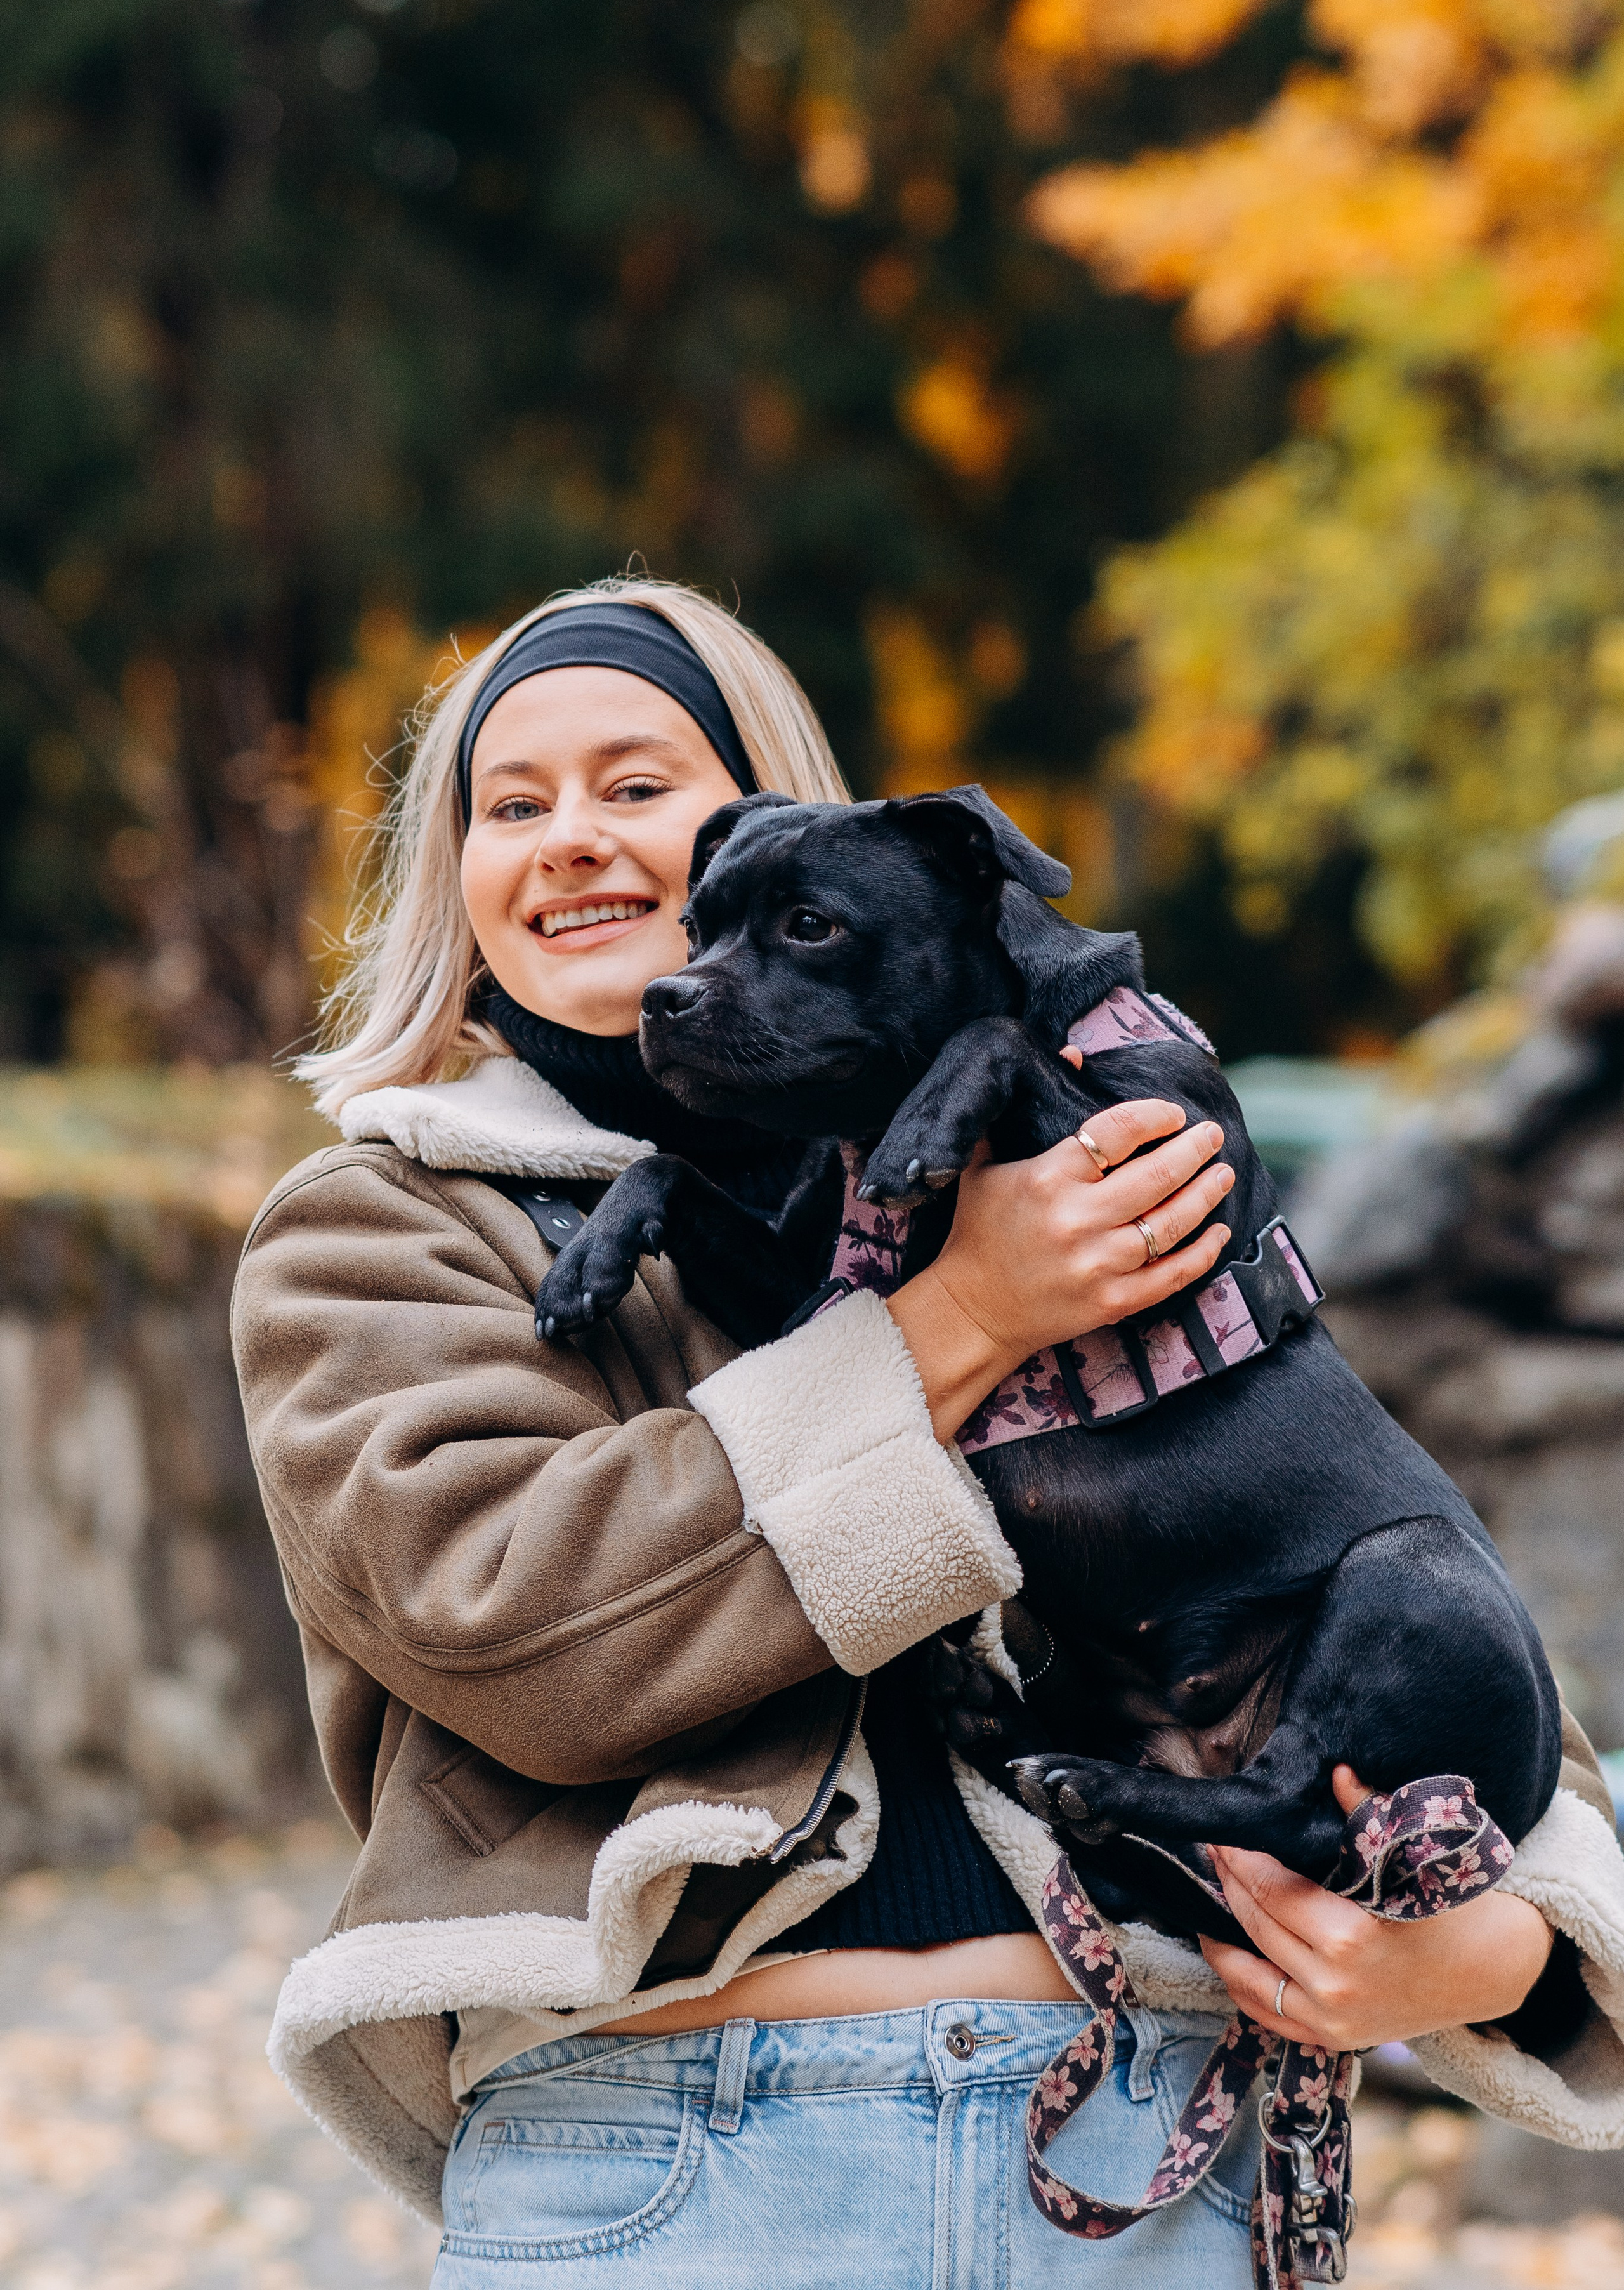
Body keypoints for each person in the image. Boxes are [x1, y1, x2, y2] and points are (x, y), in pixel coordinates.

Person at [234, 578, 1624, 2288]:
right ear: (460, 878)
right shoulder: (379, 1229)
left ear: (775, 827)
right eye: (512, 806)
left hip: (1140, 2149)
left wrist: (1491, 1952)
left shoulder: (1041, 1147)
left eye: (636, 786)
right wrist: (964, 1319)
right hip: (681, 2167)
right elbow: (513, 1629)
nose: (574, 839)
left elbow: (1359, 1543)